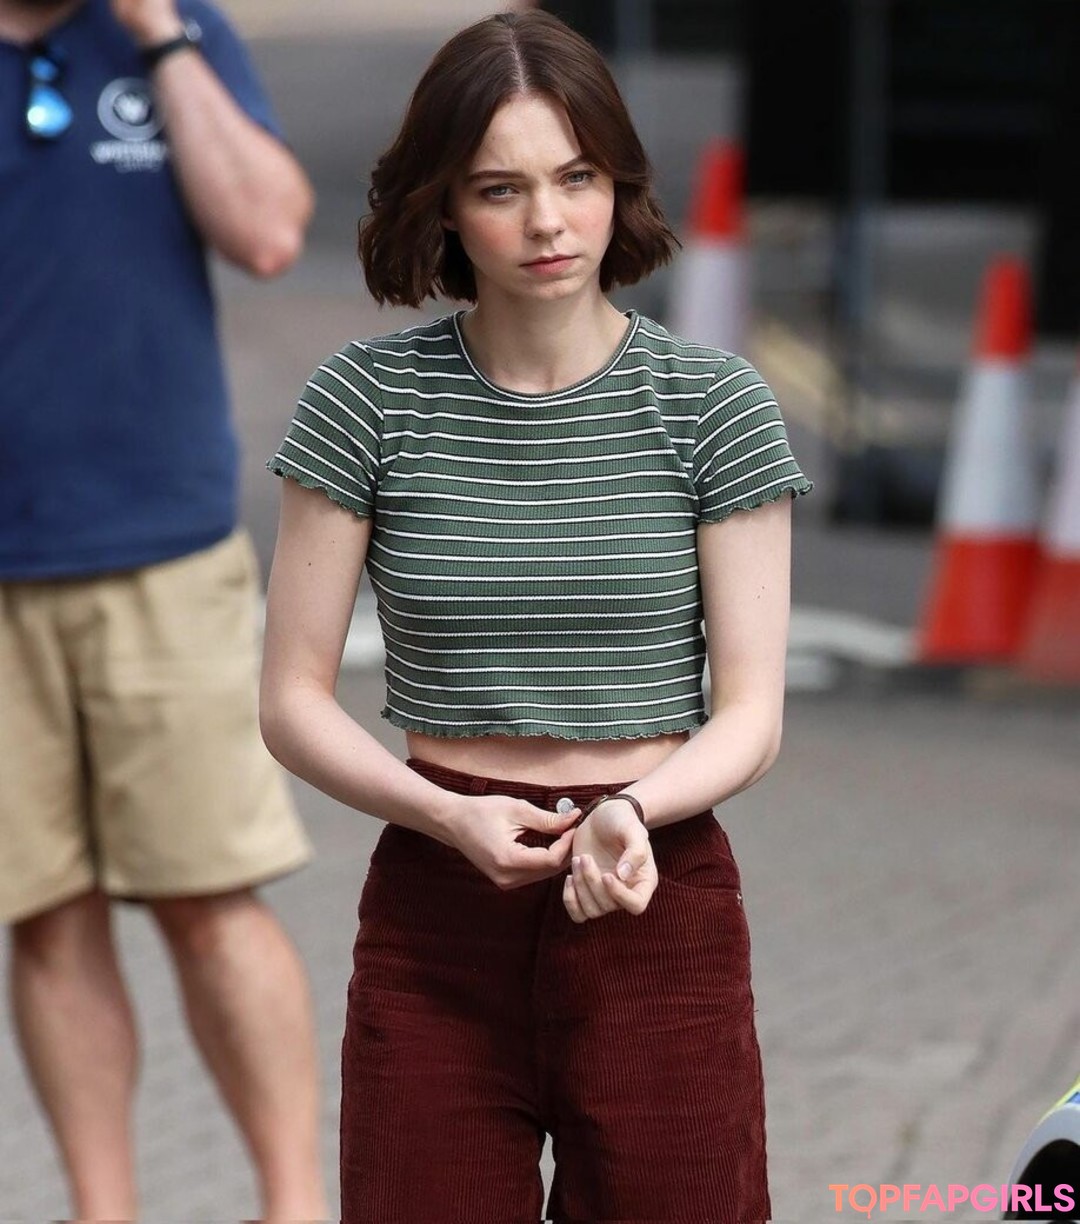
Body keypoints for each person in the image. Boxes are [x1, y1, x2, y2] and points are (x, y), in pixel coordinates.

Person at [262, 10, 811, 1222]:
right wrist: (442, 815)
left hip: (653, 889)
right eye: (500, 189)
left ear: (620, 184)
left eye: (577, 177)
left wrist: (633, 811)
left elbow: (752, 713)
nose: (549, 221)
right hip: (437, 904)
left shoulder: (712, 403)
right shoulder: (366, 400)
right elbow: (292, 700)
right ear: (445, 209)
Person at [0, 0, 328, 1219]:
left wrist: (159, 35)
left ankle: (295, 1205)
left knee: (208, 898)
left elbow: (270, 231)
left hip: (161, 553)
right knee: (44, 916)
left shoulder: (176, 30)